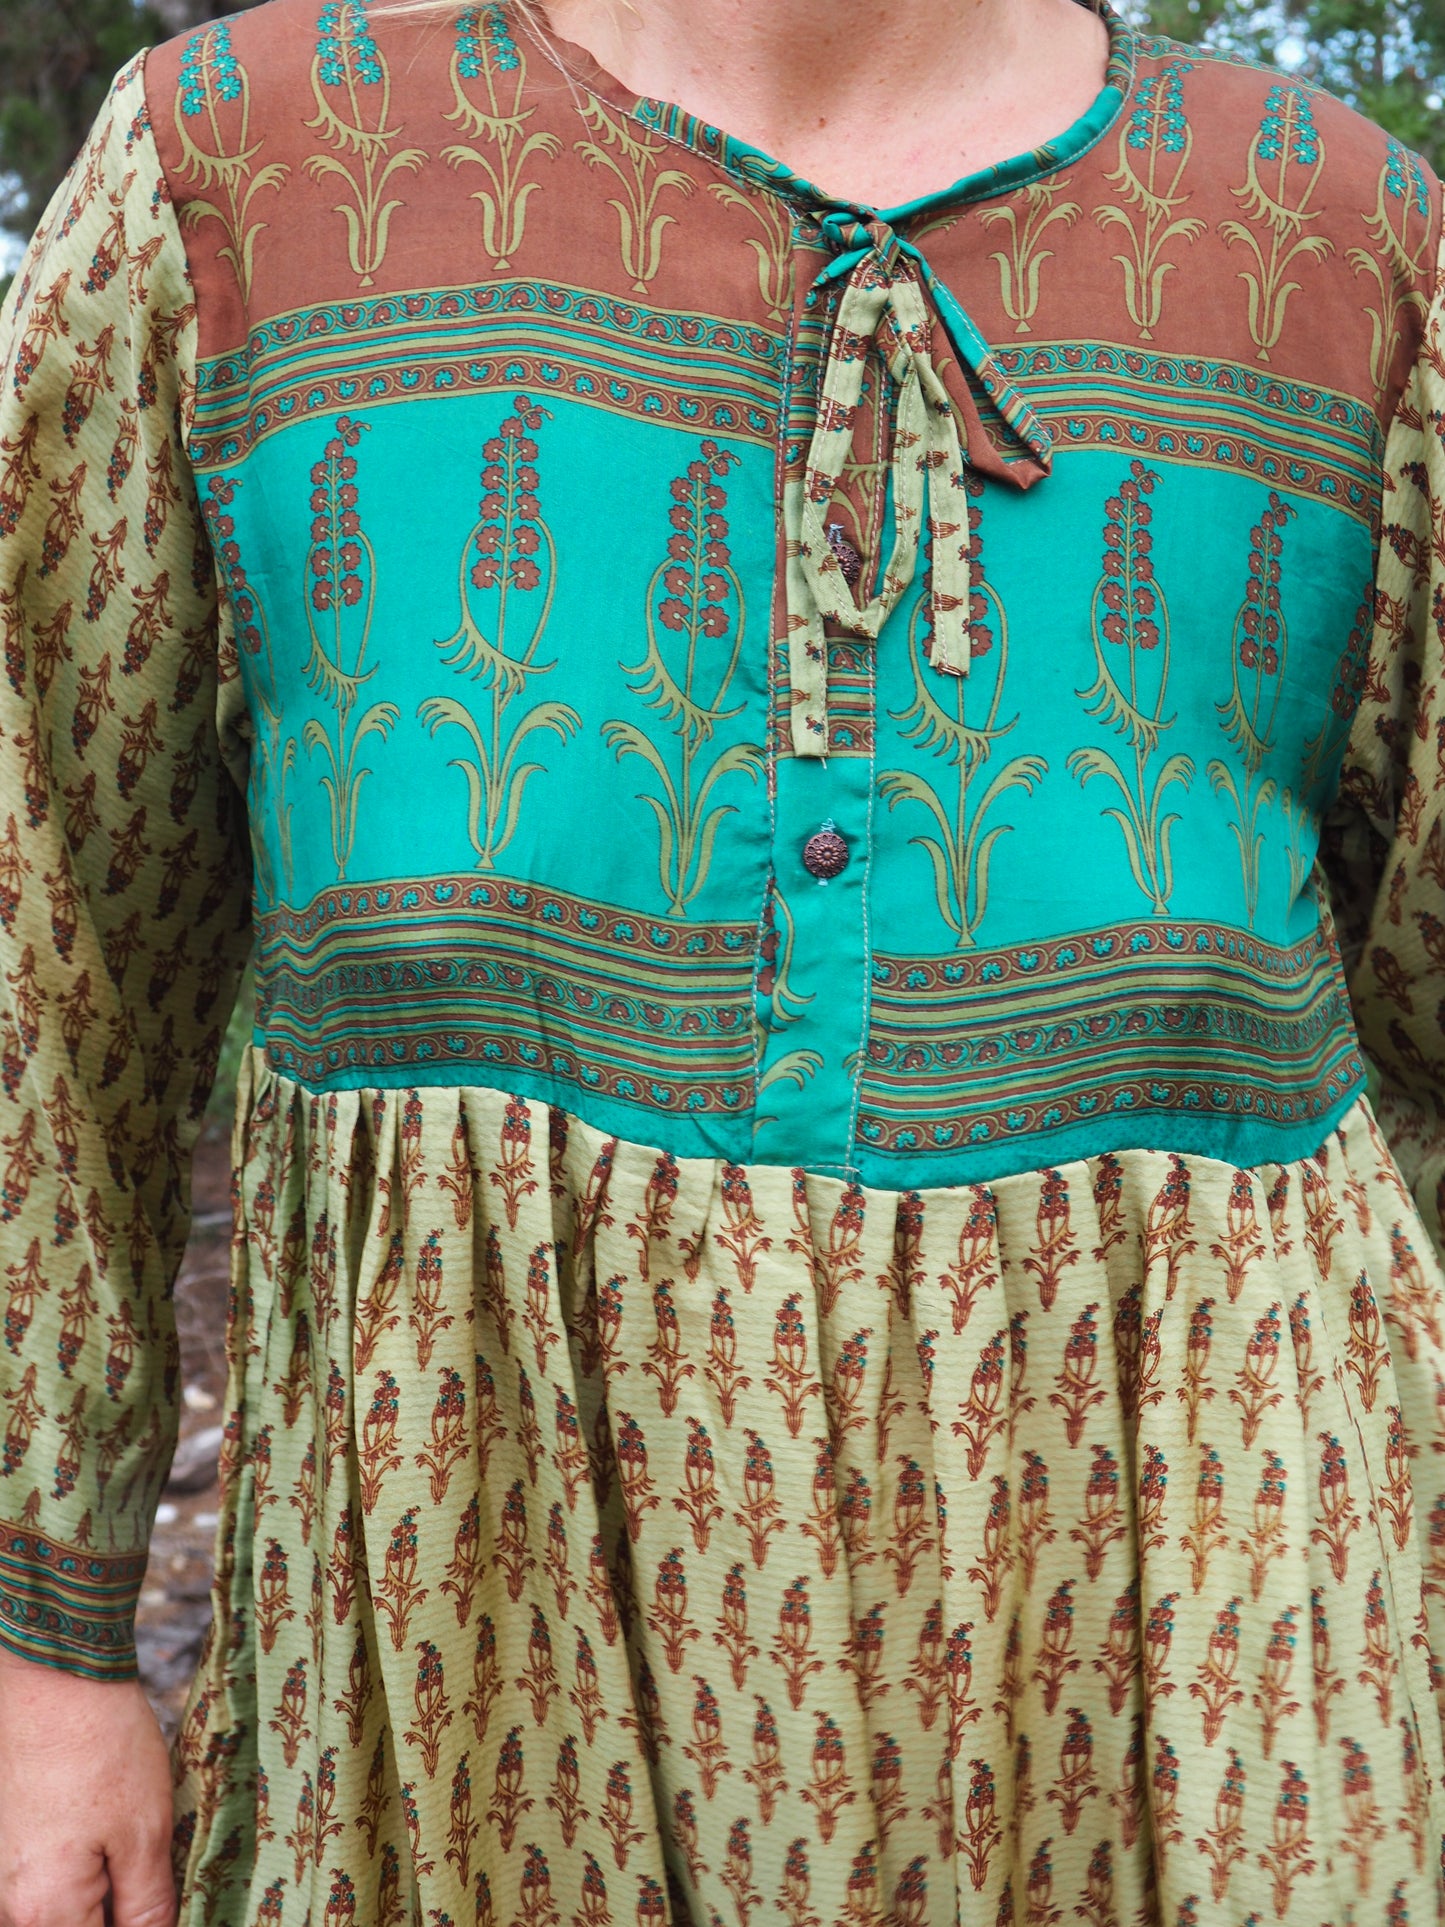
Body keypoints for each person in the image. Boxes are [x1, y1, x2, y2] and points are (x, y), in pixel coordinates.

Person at [1, 0, 1443, 1919]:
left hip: (1206, 1706)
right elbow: (48, 968)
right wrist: (43, 1649)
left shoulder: (1335, 240)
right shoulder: (241, 173)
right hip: (477, 1688)